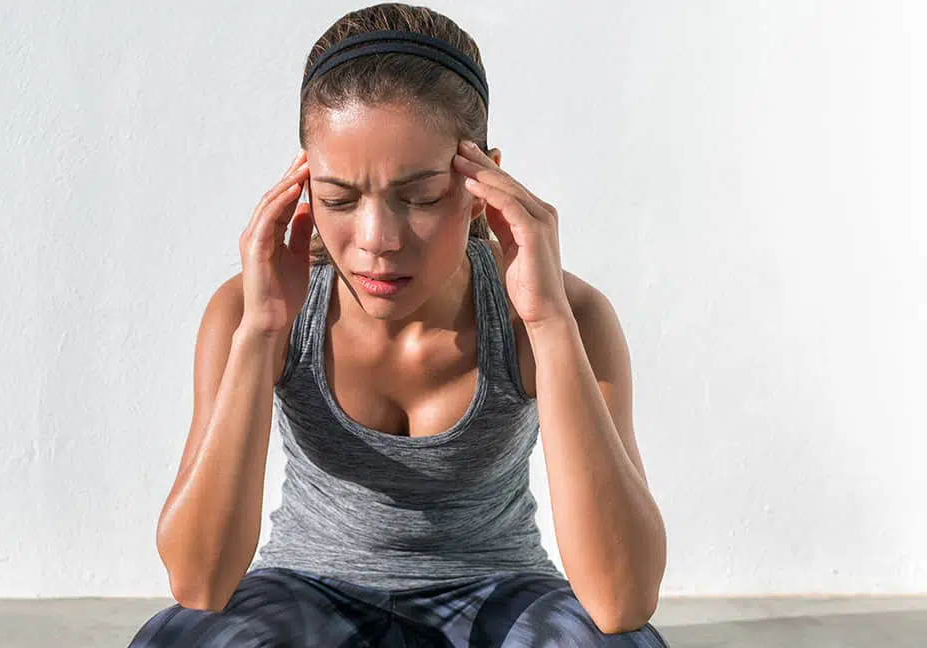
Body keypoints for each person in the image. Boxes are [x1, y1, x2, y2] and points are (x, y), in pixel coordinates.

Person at [130, 3, 669, 646]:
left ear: (482, 183)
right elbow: (199, 583)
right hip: (307, 588)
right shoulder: (249, 308)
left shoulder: (568, 314)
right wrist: (262, 332)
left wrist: (548, 321)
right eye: (338, 199)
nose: (377, 239)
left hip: (501, 590)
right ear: (304, 186)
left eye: (419, 197)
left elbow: (621, 600)